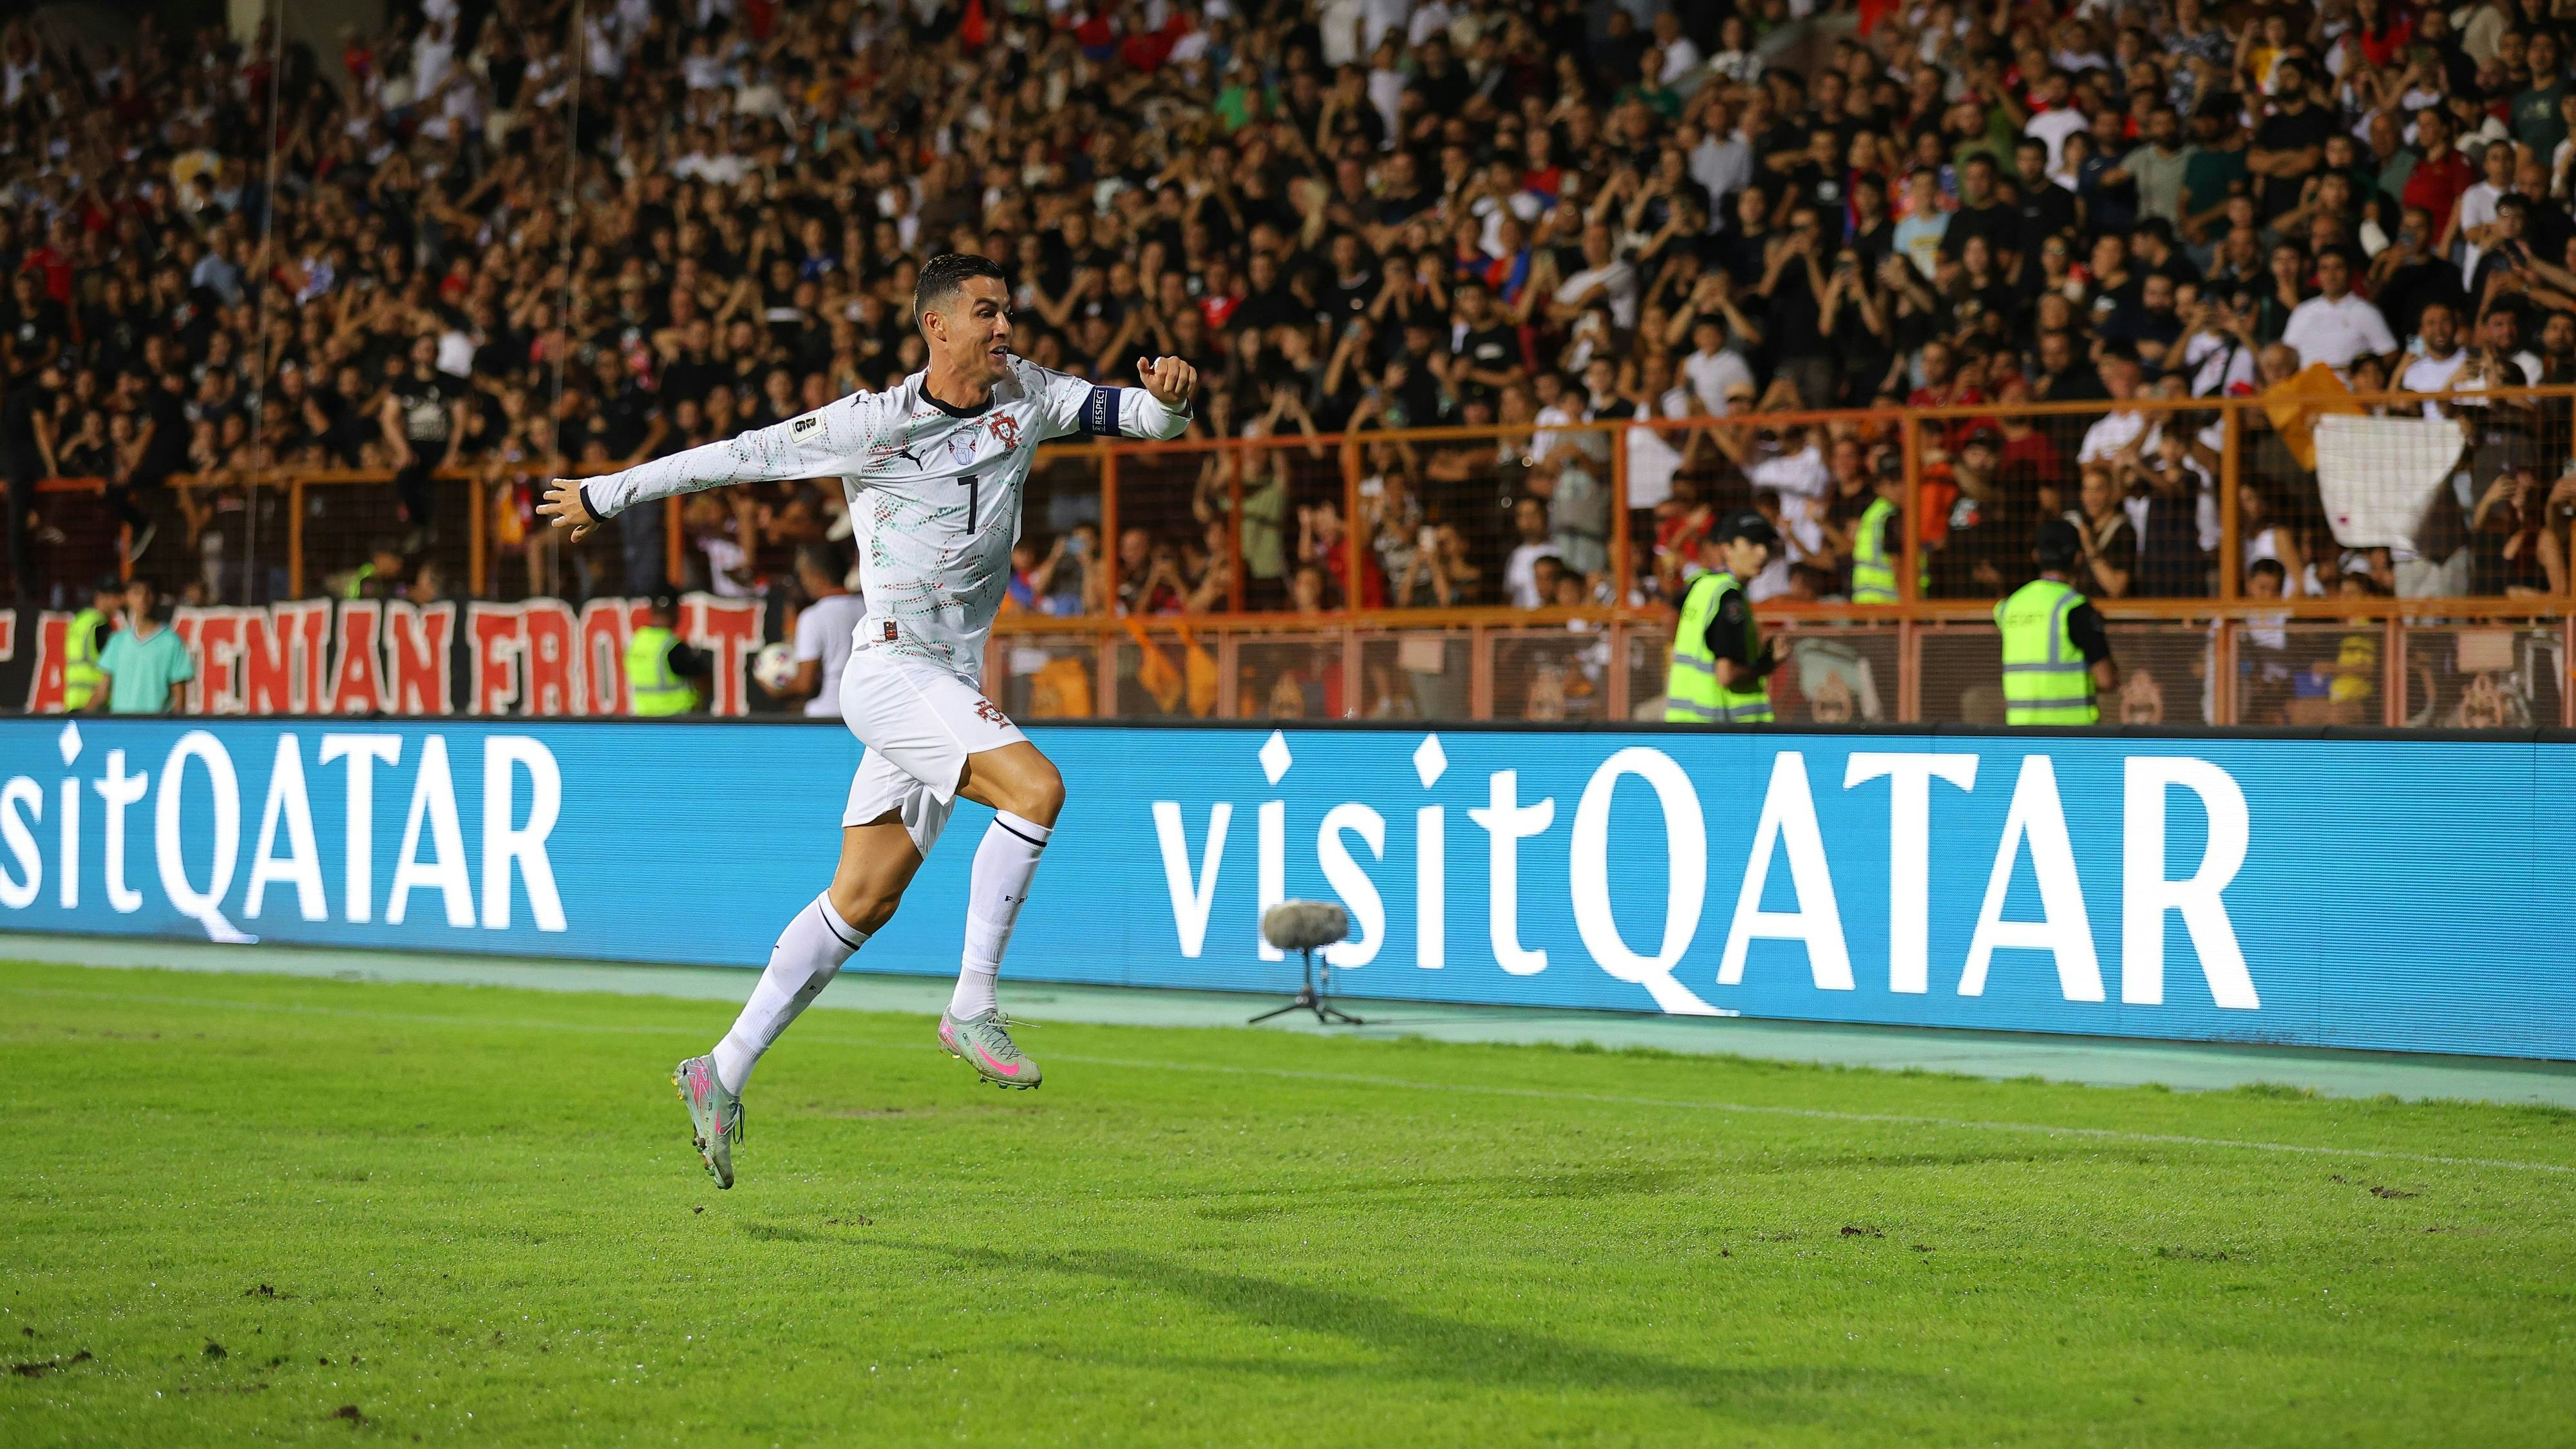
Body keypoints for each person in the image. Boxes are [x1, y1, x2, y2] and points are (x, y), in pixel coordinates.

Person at [540, 253, 1198, 1189]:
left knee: (864, 899)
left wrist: (1170, 398)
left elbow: (1138, 417)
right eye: (987, 314)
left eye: (1007, 312)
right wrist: (608, 493)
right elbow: (736, 455)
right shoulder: (873, 423)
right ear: (936, 326)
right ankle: (973, 1003)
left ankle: (719, 1070)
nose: (1006, 328)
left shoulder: (1031, 395)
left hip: (950, 677)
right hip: (893, 669)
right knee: (1038, 788)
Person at [1996, 519, 2120, 726]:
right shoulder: (2076, 608)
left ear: (2035, 556)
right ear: (2079, 558)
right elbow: (2106, 680)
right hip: (2072, 736)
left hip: (2019, 732)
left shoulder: (2009, 607)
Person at [1663, 511, 1781, 724]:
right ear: (1727, 549)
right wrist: (1768, 664)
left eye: (1767, 545)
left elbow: (1670, 616)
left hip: (1685, 725)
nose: (1763, 553)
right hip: (1723, 734)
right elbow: (1726, 675)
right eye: (1752, 544)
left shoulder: (1701, 583)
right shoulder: (1730, 598)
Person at [766, 544, 866, 717]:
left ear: (816, 575)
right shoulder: (867, 608)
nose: (803, 582)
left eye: (803, 575)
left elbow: (805, 684)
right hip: (864, 711)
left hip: (826, 716)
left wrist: (775, 690)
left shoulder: (813, 617)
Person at [90, 577, 191, 715]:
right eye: (136, 593)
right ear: (127, 598)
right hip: (121, 727)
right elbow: (102, 691)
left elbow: (179, 701)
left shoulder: (171, 642)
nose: (143, 599)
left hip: (155, 729)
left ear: (156, 598)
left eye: (148, 593)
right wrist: (78, 719)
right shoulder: (118, 641)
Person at [625, 592, 713, 716]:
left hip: (644, 717)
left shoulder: (636, 641)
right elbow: (702, 679)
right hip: (676, 718)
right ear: (675, 613)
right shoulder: (672, 646)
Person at [1848, 464, 1911, 604]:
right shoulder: (1891, 515)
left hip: (1865, 600)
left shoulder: (1873, 512)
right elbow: (1897, 563)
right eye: (1900, 484)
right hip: (1889, 602)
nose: (1906, 490)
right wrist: (1908, 605)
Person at [61, 574, 119, 712]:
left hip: (74, 700)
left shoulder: (80, 621)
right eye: (114, 596)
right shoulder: (101, 625)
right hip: (95, 703)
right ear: (100, 597)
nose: (118, 602)